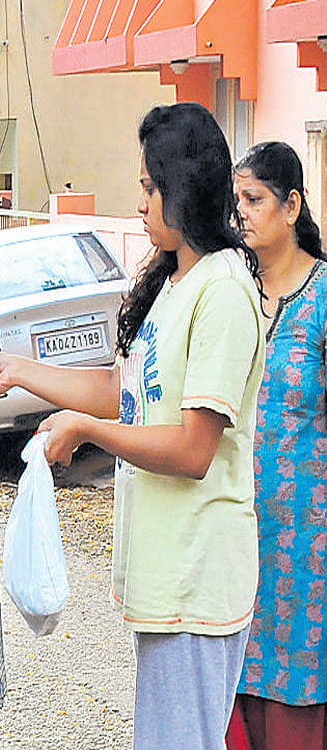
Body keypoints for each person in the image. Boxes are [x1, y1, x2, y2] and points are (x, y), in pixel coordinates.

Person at [0, 102, 265, 748]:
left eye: (147, 186)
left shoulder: (222, 290)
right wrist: (20, 371)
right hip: (167, 575)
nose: (139, 203)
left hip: (198, 575)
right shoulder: (175, 282)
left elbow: (194, 448)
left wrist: (85, 431)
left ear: (181, 187)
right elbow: (121, 392)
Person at [225, 141, 327, 750]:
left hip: (308, 557)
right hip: (234, 543)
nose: (241, 213)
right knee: (231, 699)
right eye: (235, 200)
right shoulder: (229, 292)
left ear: (291, 206)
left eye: (254, 199)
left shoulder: (322, 300)